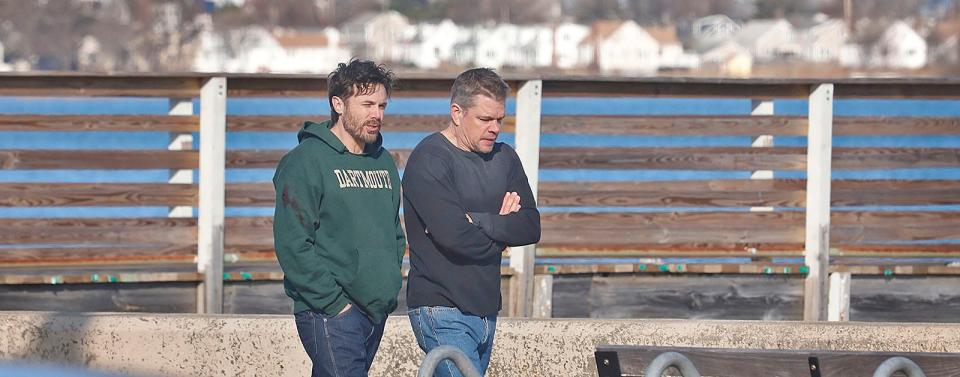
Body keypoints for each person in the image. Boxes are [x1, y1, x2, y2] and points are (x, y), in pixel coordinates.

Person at [402, 68, 542, 377]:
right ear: (456, 112)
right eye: (484, 119)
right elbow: (455, 237)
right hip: (441, 309)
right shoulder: (430, 159)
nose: (494, 128)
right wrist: (504, 230)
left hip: (486, 311)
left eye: (499, 120)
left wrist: (481, 222)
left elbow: (531, 225)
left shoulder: (505, 158)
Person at [272, 59, 404, 377]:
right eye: (367, 104)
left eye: (382, 105)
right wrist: (334, 304)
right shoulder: (305, 161)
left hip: (375, 310)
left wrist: (388, 285)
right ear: (338, 104)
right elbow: (293, 243)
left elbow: (393, 232)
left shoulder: (383, 162)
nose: (377, 115)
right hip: (329, 311)